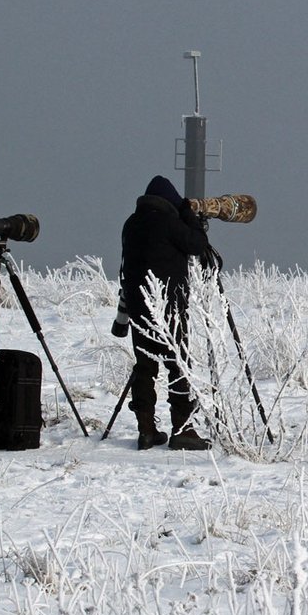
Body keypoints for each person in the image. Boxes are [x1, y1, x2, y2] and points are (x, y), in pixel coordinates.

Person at [113, 175, 213, 450]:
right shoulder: (170, 222)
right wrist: (190, 216)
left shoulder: (131, 224)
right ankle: (182, 429)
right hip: (168, 306)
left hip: (138, 305)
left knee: (145, 367)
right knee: (178, 364)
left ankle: (146, 430)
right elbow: (197, 244)